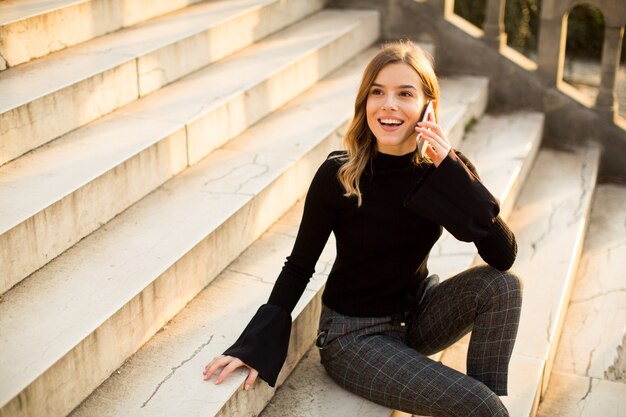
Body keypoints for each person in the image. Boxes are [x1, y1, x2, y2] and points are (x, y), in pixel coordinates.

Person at [203, 40, 522, 417]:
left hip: (414, 318)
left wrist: (450, 168)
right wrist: (254, 344)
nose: (389, 104)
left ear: (428, 106)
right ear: (364, 103)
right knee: (479, 406)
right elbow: (299, 266)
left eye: (405, 93)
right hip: (353, 338)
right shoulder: (339, 175)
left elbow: (503, 257)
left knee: (502, 287)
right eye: (377, 93)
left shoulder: (444, 172)